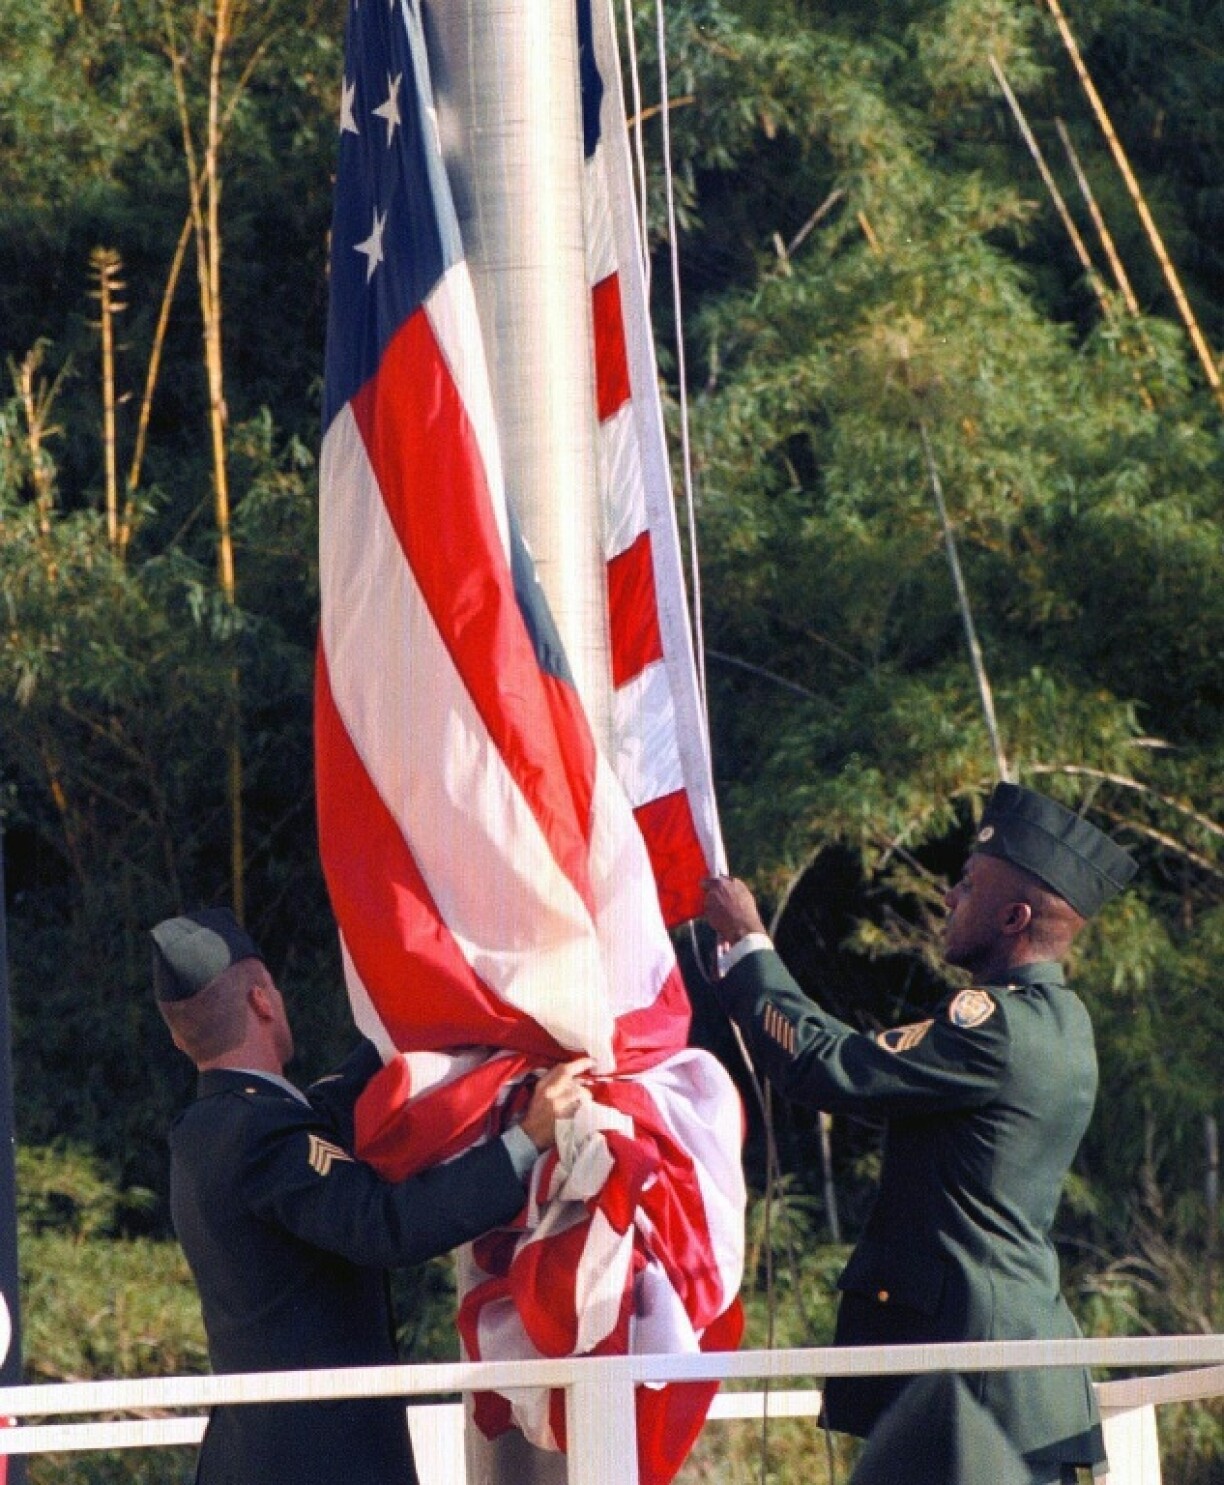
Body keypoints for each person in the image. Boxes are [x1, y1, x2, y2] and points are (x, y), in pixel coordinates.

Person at [702, 782, 1138, 1485]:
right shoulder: (1064, 1021)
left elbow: (828, 1066)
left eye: (966, 886)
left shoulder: (993, 1025)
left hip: (973, 1387)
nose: (947, 897)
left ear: (1013, 916)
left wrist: (748, 943)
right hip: (1008, 1382)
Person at [151, 906, 592, 1485]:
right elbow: (386, 1226)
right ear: (263, 1000)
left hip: (265, 1458)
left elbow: (333, 1105)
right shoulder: (264, 1135)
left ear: (179, 1037)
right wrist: (526, 1140)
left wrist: (422, 1012)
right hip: (320, 1466)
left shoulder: (212, 1129)